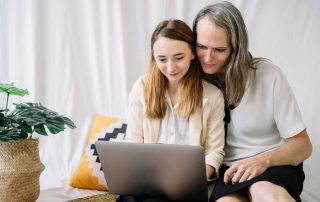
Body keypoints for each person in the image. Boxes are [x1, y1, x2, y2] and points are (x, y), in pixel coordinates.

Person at [192, 1, 312, 202]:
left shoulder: (268, 75)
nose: (207, 57)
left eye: (219, 49)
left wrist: (262, 161)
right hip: (227, 171)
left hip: (273, 164)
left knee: (263, 191)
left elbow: (303, 145)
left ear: (236, 48)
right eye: (201, 46)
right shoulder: (192, 80)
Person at [119, 19, 225, 202]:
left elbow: (214, 152)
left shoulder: (212, 95)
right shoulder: (141, 88)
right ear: (153, 57)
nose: (170, 67)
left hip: (188, 188)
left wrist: (192, 180)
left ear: (192, 53)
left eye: (178, 58)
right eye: (162, 59)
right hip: (146, 184)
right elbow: (133, 141)